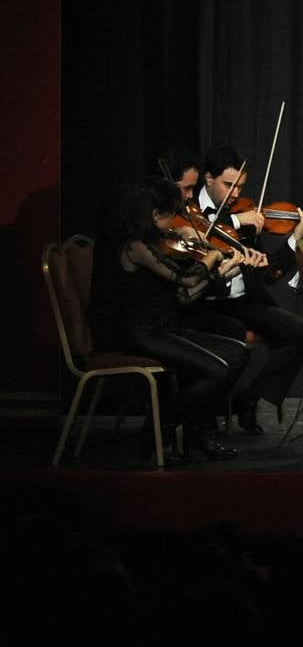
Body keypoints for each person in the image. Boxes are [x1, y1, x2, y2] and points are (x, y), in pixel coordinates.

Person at [91, 178, 250, 461]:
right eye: (170, 216)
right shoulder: (136, 247)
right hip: (142, 332)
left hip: (168, 327)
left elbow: (184, 296)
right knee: (216, 370)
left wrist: (217, 274)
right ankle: (163, 425)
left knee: (237, 353)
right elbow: (185, 278)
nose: (175, 224)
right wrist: (211, 256)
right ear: (155, 215)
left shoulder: (157, 242)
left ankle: (193, 430)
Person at [189, 148, 303, 434]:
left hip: (242, 301)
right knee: (230, 333)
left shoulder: (246, 215)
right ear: (208, 179)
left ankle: (248, 399)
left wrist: (295, 237)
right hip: (204, 302)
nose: (235, 194)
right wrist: (236, 222)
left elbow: (269, 274)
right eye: (228, 185)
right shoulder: (191, 211)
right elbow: (198, 231)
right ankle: (206, 415)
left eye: (241, 187)